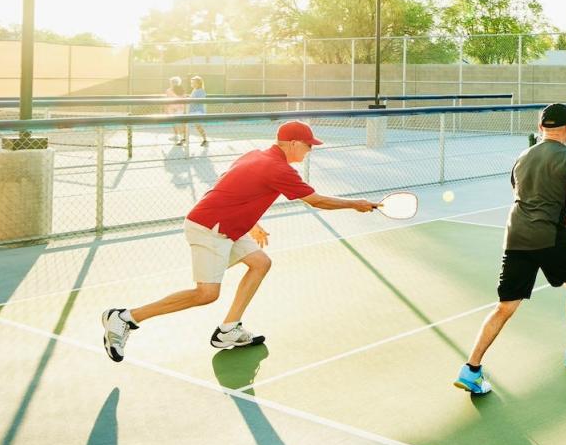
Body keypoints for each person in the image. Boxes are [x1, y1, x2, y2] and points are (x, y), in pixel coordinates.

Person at [100, 121, 378, 362]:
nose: (310, 150)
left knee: (260, 262)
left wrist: (253, 223)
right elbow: (316, 201)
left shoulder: (256, 155)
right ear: (293, 144)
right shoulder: (280, 170)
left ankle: (229, 329)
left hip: (228, 225)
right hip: (211, 228)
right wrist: (356, 204)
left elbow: (231, 186)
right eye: (308, 145)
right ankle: (126, 317)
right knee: (206, 294)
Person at [454, 103, 566, 396]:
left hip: (516, 234)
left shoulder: (522, 156)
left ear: (541, 126)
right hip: (548, 236)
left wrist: (562, 219)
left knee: (505, 306)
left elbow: (524, 195)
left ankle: (471, 369)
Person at [185, 75, 209, 147]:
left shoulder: (201, 91)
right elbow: (192, 98)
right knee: (187, 125)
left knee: (198, 126)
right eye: (191, 82)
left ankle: (205, 140)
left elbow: (198, 101)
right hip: (192, 111)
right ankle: (184, 139)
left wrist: (189, 99)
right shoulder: (195, 90)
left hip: (197, 112)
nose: (191, 83)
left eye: (193, 82)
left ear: (198, 83)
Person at [165, 76, 186, 144]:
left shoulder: (181, 90)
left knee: (179, 123)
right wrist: (166, 109)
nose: (173, 83)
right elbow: (167, 100)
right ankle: (176, 135)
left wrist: (180, 108)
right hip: (171, 109)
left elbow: (183, 100)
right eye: (172, 82)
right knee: (173, 123)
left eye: (175, 82)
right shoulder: (168, 90)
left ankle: (182, 138)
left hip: (179, 109)